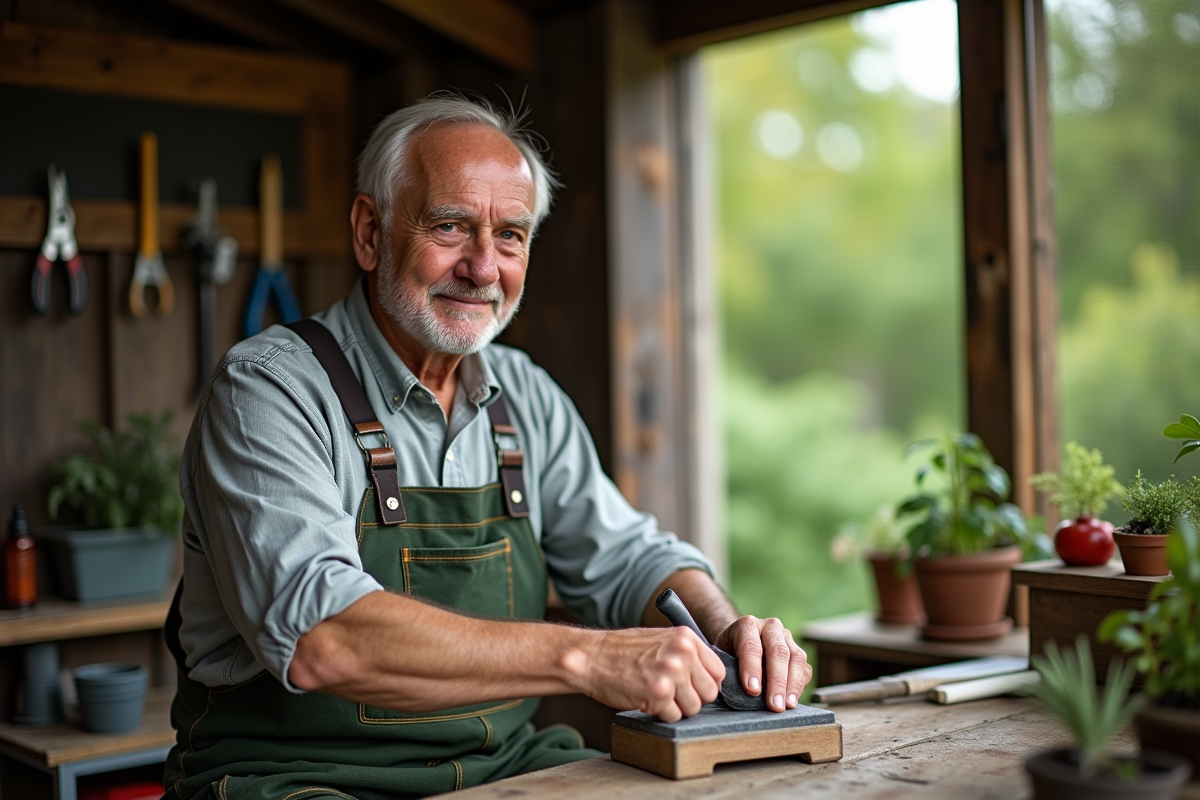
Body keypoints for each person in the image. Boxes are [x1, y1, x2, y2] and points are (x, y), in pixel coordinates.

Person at [163, 94, 811, 800]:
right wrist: (585, 658)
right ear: (370, 232)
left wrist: (725, 630)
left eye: (510, 235)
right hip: (292, 778)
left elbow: (630, 559)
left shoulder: (523, 395)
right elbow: (326, 638)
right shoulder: (269, 390)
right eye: (451, 226)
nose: (483, 266)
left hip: (503, 769)